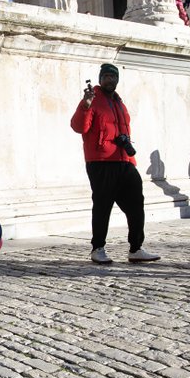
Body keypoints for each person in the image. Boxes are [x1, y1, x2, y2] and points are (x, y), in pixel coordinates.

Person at [70, 63, 161, 264]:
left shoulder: (119, 102)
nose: (111, 80)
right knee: (103, 205)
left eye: (114, 77)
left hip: (125, 160)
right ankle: (98, 248)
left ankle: (136, 248)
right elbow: (78, 127)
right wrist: (85, 105)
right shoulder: (92, 100)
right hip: (101, 162)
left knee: (136, 203)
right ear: (100, 79)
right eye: (107, 77)